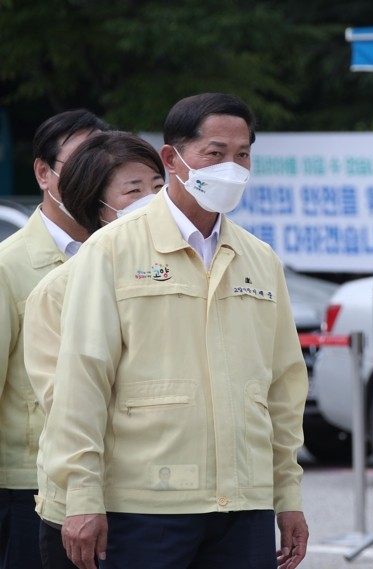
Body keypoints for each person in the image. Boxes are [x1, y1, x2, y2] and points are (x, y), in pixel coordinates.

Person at [41, 93, 309, 569]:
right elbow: (82, 379)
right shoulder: (112, 250)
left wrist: (286, 495)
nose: (232, 167)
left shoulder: (259, 260)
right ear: (173, 158)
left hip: (243, 506)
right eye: (215, 153)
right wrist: (82, 495)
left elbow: (284, 387)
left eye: (242, 154)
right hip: (145, 506)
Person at [22, 131, 163, 569]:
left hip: (167, 498)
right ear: (96, 206)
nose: (152, 201)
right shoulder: (55, 292)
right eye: (133, 190)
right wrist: (84, 498)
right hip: (103, 498)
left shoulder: (171, 278)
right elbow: (67, 404)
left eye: (158, 187)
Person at [0, 109, 109, 569]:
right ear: (43, 173)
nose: (94, 179)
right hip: (27, 486)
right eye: (81, 163)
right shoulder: (10, 266)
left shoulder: (122, 257)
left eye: (103, 166)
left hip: (110, 482)